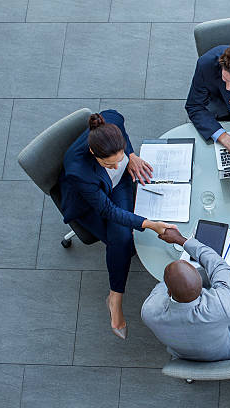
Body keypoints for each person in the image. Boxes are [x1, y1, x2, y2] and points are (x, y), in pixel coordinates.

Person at [59, 110, 177, 339]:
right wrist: (150, 225)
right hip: (90, 203)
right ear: (94, 153)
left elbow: (119, 122)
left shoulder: (111, 121)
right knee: (122, 239)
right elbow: (107, 210)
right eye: (109, 164)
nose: (115, 166)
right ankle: (115, 297)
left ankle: (115, 292)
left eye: (118, 158)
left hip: (119, 185)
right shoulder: (78, 171)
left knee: (125, 238)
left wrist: (130, 156)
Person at [141, 228, 230, 361]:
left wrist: (216, 275)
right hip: (228, 352)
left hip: (184, 355)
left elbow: (165, 284)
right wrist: (180, 239)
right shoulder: (219, 306)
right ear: (202, 285)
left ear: (169, 292)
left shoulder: (148, 311)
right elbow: (218, 265)